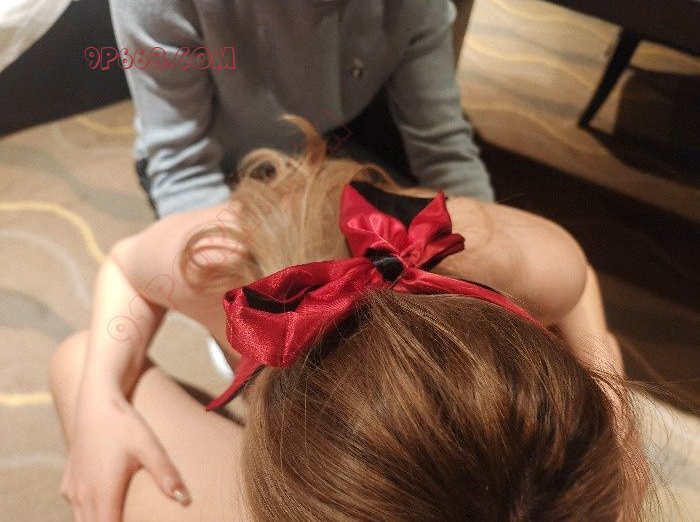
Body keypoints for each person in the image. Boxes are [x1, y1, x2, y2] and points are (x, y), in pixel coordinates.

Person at [50, 118, 648, 521]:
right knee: (79, 365)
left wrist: (608, 392)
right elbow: (124, 267)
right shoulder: (220, 266)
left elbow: (576, 287)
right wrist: (100, 395)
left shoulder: (511, 256)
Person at [107, 0, 495, 218]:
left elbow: (444, 150)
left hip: (325, 141)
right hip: (214, 166)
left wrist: (489, 260)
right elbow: (183, 173)